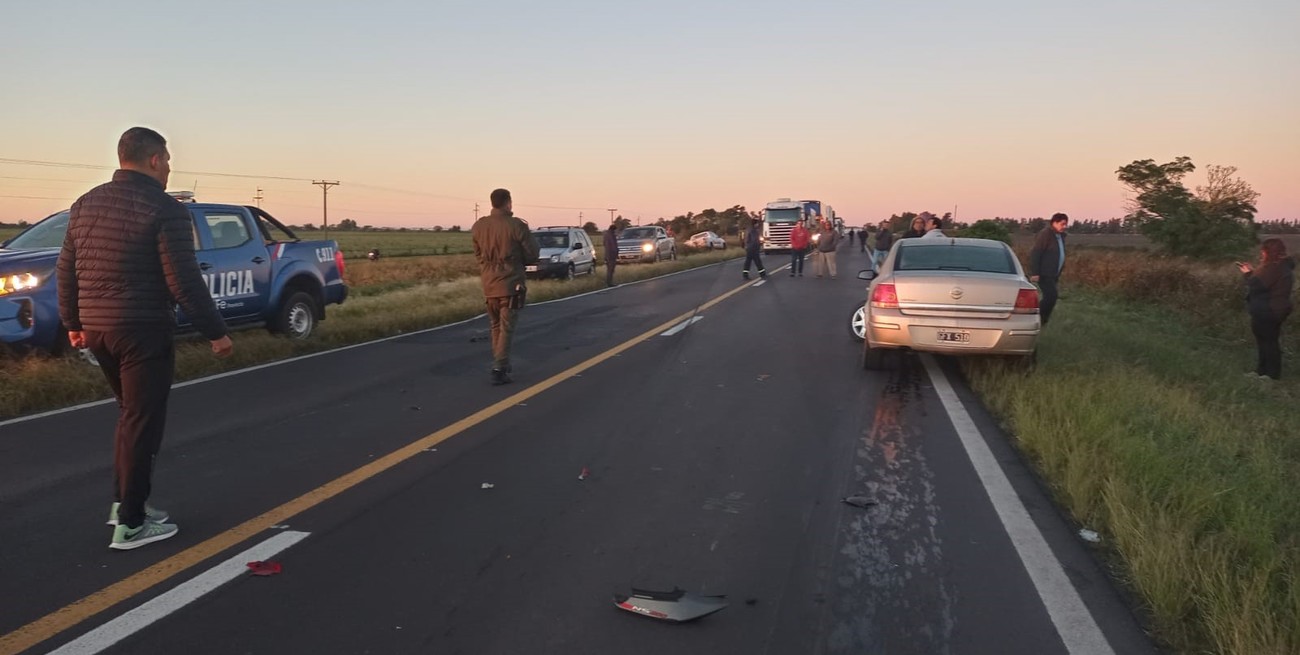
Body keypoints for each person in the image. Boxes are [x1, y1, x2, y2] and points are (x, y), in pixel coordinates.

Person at [56, 127, 233, 550]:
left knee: (129, 417)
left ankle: (124, 505)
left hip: (99, 331)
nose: (170, 167)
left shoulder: (86, 203)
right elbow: (184, 281)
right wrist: (216, 332)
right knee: (142, 423)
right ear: (154, 160)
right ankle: (132, 525)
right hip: (142, 331)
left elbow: (66, 268)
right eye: (168, 160)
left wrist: (73, 322)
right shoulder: (166, 209)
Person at [471, 188, 541, 385]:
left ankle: (499, 362)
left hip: (488, 283)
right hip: (511, 283)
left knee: (495, 325)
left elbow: (478, 254)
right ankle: (499, 367)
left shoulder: (479, 226)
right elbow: (533, 253)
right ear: (508, 202)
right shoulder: (516, 225)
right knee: (507, 327)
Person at [1238, 238, 1295, 379]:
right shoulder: (1281, 266)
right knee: (1265, 341)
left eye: (1263, 251)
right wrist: (1252, 273)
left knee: (1268, 342)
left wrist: (1247, 274)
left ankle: (1271, 375)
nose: (1261, 254)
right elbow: (1262, 283)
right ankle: (1261, 372)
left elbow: (1256, 285)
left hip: (1268, 310)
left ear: (1268, 252)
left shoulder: (1274, 267)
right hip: (1271, 310)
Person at [1028, 212, 1069, 326]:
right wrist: (1035, 272)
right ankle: (1039, 319)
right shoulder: (1045, 234)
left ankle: (1040, 320)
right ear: (1054, 223)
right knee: (1051, 297)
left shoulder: (1061, 236)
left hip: (1054, 274)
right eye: (1062, 224)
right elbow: (1036, 253)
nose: (1064, 226)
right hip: (1044, 273)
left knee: (1051, 297)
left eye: (1066, 224)